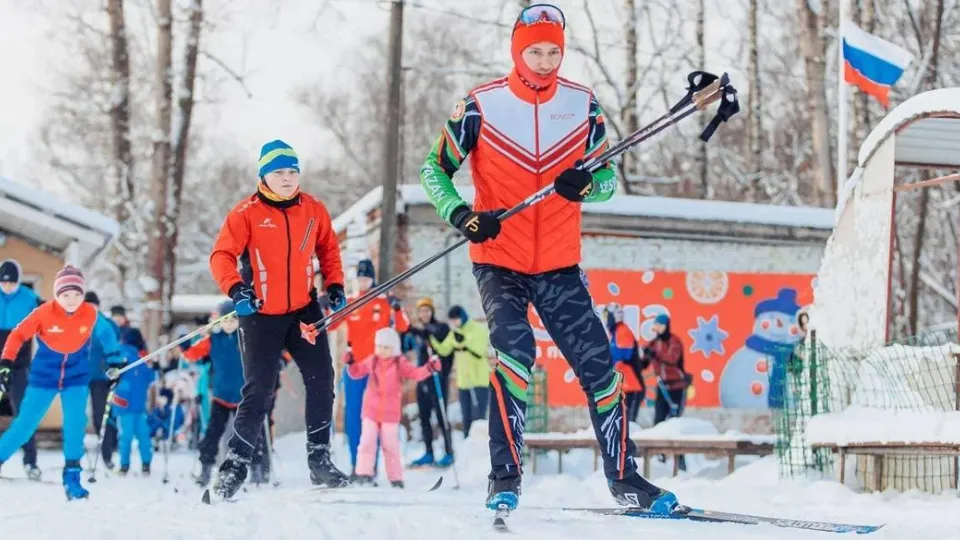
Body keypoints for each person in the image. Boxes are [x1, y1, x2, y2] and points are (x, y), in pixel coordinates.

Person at [418, 4, 679, 513]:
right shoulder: (480, 106)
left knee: (601, 367)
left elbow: (607, 180)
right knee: (515, 354)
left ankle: (625, 479)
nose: (543, 61)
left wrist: (587, 186)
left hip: (559, 263)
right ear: (517, 51)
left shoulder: (583, 105)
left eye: (553, 52)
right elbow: (434, 169)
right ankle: (504, 478)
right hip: (499, 259)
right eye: (534, 51)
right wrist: (463, 215)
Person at [208, 139, 349, 499]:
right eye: (279, 172)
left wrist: (334, 285)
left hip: (303, 312)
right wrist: (236, 290)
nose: (287, 178)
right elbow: (222, 255)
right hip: (260, 314)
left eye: (292, 171)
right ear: (264, 176)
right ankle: (235, 466)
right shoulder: (246, 213)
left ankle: (319, 459)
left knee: (322, 379)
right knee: (258, 389)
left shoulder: (313, 209)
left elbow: (328, 249)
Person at [0, 265, 122, 499]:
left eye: (77, 294)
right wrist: (6, 362)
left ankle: (72, 477)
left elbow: (107, 334)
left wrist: (115, 361)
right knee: (24, 426)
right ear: (57, 295)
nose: (72, 300)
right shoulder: (44, 312)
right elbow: (18, 335)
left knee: (75, 425)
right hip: (44, 377)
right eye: (66, 295)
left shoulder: (89, 313)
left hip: (76, 377)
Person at [328, 258, 409, 479]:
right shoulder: (351, 302)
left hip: (378, 370)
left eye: (366, 278)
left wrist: (397, 307)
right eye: (360, 278)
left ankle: (371, 467)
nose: (363, 282)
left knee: (374, 419)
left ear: (373, 279)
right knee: (354, 417)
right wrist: (330, 304)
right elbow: (331, 325)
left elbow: (403, 326)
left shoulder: (383, 302)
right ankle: (357, 466)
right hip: (356, 368)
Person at [180, 300, 270, 487]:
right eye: (225, 320)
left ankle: (257, 469)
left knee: (252, 433)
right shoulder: (212, 340)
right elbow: (191, 355)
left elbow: (264, 352)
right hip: (220, 396)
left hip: (245, 397)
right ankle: (205, 469)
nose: (228, 324)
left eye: (233, 320)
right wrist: (185, 345)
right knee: (212, 435)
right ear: (218, 321)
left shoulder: (246, 337)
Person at [346, 327, 441, 488]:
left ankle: (395, 477)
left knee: (390, 446)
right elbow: (356, 373)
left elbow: (416, 373)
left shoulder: (399, 363)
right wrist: (350, 362)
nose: (382, 351)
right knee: (367, 442)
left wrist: (430, 368)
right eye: (379, 346)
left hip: (390, 413)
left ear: (394, 348)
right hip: (371, 410)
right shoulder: (372, 360)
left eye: (386, 347)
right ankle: (364, 473)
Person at [0, 259, 43, 479]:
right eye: (4, 283)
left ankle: (31, 461)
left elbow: (48, 317)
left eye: (11, 283)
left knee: (24, 413)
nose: (7, 287)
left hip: (19, 365)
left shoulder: (29, 298)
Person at [405, 297, 454, 467]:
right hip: (423, 379)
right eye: (421, 311)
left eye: (427, 310)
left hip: (437, 378)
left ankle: (449, 452)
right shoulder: (419, 333)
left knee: (441, 415)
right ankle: (428, 453)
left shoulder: (441, 327)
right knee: (424, 416)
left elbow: (437, 336)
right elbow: (409, 344)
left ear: (432, 312)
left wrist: (420, 332)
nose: (424, 314)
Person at [434, 305, 490, 438]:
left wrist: (465, 341)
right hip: (463, 382)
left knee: (479, 418)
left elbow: (480, 351)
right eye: (452, 320)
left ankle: (479, 444)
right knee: (466, 417)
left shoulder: (478, 329)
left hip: (479, 381)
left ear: (462, 317)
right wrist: (432, 339)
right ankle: (467, 444)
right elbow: (444, 350)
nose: (454, 323)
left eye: (456, 319)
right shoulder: (455, 333)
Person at [643, 313, 688, 470]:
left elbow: (672, 358)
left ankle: (680, 461)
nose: (658, 329)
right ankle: (660, 459)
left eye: (661, 326)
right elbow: (645, 363)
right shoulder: (654, 343)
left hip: (676, 387)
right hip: (662, 387)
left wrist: (655, 354)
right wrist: (643, 356)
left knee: (674, 422)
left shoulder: (674, 341)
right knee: (659, 421)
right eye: (656, 326)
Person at [84, 291, 122, 469]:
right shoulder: (77, 322)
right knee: (78, 415)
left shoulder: (105, 324)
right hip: (81, 376)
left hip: (100, 377)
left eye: (92, 306)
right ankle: (75, 457)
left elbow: (114, 347)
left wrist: (114, 368)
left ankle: (107, 454)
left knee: (101, 416)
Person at [111, 344, 154, 476]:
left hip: (123, 407)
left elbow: (110, 378)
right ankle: (146, 464)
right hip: (139, 407)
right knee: (143, 437)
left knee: (125, 437)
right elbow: (151, 377)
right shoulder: (141, 362)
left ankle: (124, 465)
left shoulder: (118, 359)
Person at [604, 303, 648, 423]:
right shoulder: (616, 332)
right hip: (625, 385)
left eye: (607, 315)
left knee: (628, 424)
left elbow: (621, 358)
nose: (605, 319)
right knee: (622, 423)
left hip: (632, 385)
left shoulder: (622, 332)